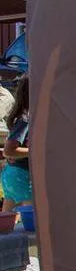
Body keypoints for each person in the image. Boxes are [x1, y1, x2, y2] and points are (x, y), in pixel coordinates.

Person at [2, 75, 31, 211]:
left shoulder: (24, 116)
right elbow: (9, 151)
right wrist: (37, 151)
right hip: (22, 176)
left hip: (12, 174)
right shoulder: (25, 119)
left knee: (7, 222)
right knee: (30, 218)